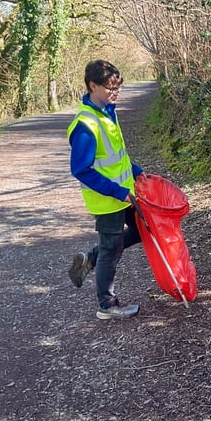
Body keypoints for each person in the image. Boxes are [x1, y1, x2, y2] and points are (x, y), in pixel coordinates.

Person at [67, 59, 144, 320]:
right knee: (111, 250)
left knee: (144, 230)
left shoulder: (107, 112)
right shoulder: (85, 125)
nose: (115, 92)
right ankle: (107, 305)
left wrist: (137, 171)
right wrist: (116, 190)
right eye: (110, 88)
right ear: (92, 85)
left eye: (118, 87)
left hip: (124, 194)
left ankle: (89, 259)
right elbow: (81, 169)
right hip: (107, 199)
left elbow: (116, 156)